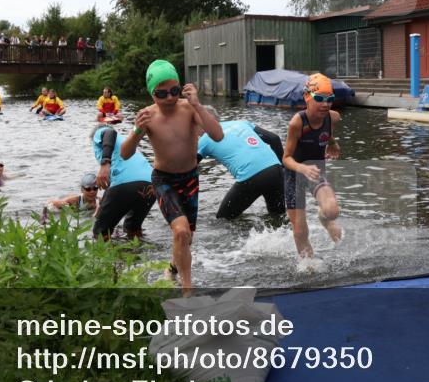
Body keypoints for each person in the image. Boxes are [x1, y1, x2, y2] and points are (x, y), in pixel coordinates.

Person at [121, 60, 223, 292]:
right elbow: (125, 154)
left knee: (186, 238)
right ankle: (188, 290)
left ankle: (172, 270)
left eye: (174, 91)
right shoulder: (147, 115)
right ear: (151, 93)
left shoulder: (189, 109)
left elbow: (218, 135)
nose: (169, 98)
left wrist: (198, 105)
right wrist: (138, 131)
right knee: (181, 231)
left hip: (190, 179)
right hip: (163, 180)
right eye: (161, 93)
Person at [282, 73, 343, 258]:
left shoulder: (332, 117)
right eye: (319, 98)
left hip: (315, 173)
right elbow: (286, 158)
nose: (325, 104)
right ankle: (309, 267)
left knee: (332, 211)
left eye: (329, 99)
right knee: (300, 232)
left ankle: (324, 219)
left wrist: (332, 143)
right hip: (294, 176)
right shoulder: (297, 123)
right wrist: (302, 168)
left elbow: (328, 132)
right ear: (307, 97)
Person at [197, 110, 286, 220]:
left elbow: (187, 167)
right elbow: (274, 139)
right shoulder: (241, 123)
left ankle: (247, 236)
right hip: (275, 170)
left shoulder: (205, 140)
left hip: (251, 177)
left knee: (223, 219)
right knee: (278, 217)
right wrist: (283, 169)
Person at [92, 125, 156, 241]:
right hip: (151, 185)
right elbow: (114, 184)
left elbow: (110, 132)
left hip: (126, 184)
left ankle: (104, 258)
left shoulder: (101, 133)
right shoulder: (126, 144)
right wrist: (102, 205)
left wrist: (105, 162)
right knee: (132, 229)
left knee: (100, 232)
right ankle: (138, 255)